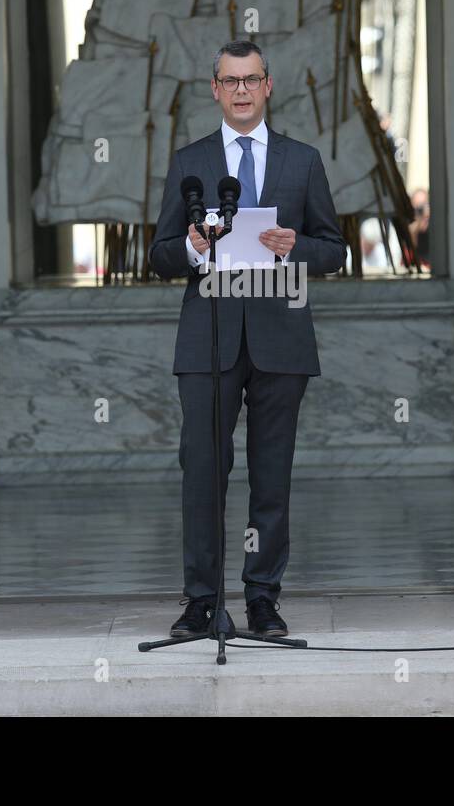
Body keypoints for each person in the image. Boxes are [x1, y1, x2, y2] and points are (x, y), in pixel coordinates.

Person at [148, 39, 346, 638]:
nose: (240, 90)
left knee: (272, 473)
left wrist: (295, 247)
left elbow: (335, 249)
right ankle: (202, 602)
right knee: (202, 471)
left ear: (267, 86)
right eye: (229, 81)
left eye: (250, 79)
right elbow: (158, 255)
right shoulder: (190, 160)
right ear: (215, 89)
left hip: (280, 336)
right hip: (207, 337)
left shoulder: (302, 160)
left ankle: (263, 600)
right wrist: (191, 248)